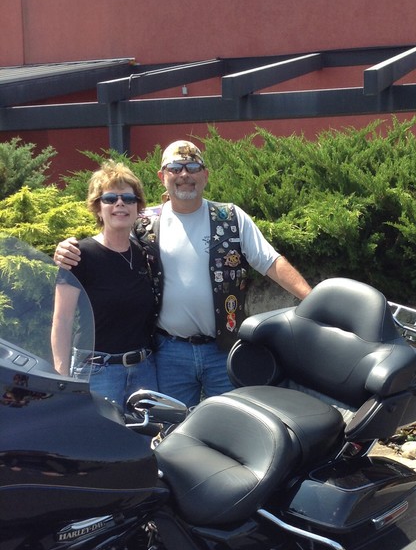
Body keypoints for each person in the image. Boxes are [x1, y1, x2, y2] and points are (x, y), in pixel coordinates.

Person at [54, 140, 311, 406]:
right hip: (169, 353)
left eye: (192, 167)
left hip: (223, 350)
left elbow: (270, 261)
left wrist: (313, 300)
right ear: (162, 176)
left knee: (228, 421)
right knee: (172, 425)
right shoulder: (144, 223)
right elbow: (109, 240)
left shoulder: (231, 218)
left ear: (205, 175)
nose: (184, 175)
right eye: (175, 168)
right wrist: (67, 250)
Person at [51, 161, 158, 407]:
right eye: (110, 198)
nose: (120, 204)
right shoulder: (78, 255)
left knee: (147, 433)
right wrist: (61, 377)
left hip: (144, 371)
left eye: (128, 198)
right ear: (98, 208)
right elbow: (62, 320)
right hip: (97, 373)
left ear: (138, 207)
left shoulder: (145, 254)